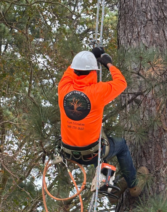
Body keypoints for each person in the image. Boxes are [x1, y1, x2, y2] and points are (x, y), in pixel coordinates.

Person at [58, 48, 148, 199]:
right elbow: (121, 82)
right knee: (121, 145)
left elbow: (70, 71)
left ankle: (109, 186)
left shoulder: (63, 88)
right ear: (94, 72)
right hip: (91, 154)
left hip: (69, 152)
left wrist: (88, 56)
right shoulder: (98, 91)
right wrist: (109, 64)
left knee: (101, 138)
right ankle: (134, 185)